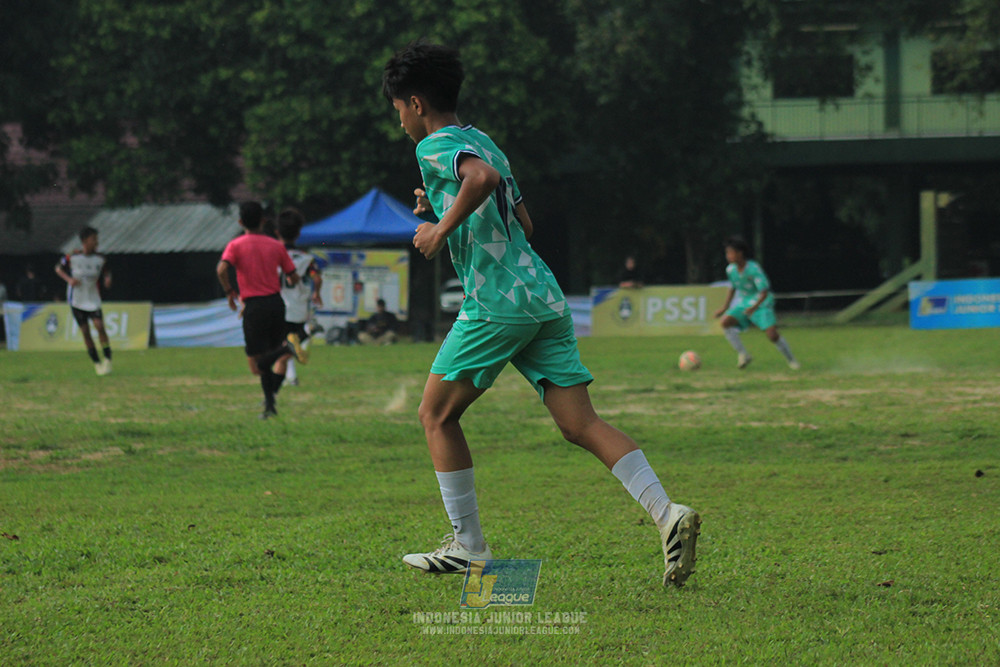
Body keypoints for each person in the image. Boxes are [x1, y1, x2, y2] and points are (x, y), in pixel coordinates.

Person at [382, 42, 700, 587]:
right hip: (542, 296)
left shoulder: (434, 144)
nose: (400, 122)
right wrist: (443, 207)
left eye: (398, 111)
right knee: (581, 424)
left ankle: (469, 547)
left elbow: (479, 181)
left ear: (415, 103)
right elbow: (521, 224)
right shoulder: (485, 141)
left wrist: (439, 229)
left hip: (496, 302)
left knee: (435, 416)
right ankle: (667, 512)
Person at [216, 201, 304, 419]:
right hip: (275, 304)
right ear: (263, 221)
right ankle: (270, 407)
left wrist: (229, 291)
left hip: (254, 306)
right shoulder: (276, 246)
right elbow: (292, 276)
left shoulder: (235, 245)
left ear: (240, 222)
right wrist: (293, 280)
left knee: (258, 364)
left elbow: (221, 269)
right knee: (268, 359)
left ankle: (286, 350)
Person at [713, 236, 800, 370]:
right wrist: (725, 308)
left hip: (761, 302)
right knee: (725, 322)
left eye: (730, 252)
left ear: (740, 253)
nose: (728, 256)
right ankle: (743, 354)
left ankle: (792, 360)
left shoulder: (753, 269)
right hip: (745, 302)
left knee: (772, 335)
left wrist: (754, 308)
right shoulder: (730, 269)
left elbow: (764, 292)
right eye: (727, 253)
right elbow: (733, 288)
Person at [55, 227, 114, 375]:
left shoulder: (100, 258)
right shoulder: (73, 256)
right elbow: (58, 268)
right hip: (77, 300)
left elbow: (107, 272)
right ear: (85, 241)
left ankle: (107, 358)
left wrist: (107, 279)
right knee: (86, 332)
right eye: (94, 239)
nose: (96, 242)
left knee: (99, 326)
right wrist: (69, 279)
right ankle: (96, 362)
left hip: (93, 299)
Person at [275, 207, 323, 386]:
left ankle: (282, 378)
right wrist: (316, 293)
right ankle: (291, 377)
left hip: (279, 305)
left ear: (277, 232)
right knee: (290, 343)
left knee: (281, 345)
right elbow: (316, 277)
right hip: (300, 306)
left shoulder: (273, 256)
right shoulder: (306, 258)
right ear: (298, 234)